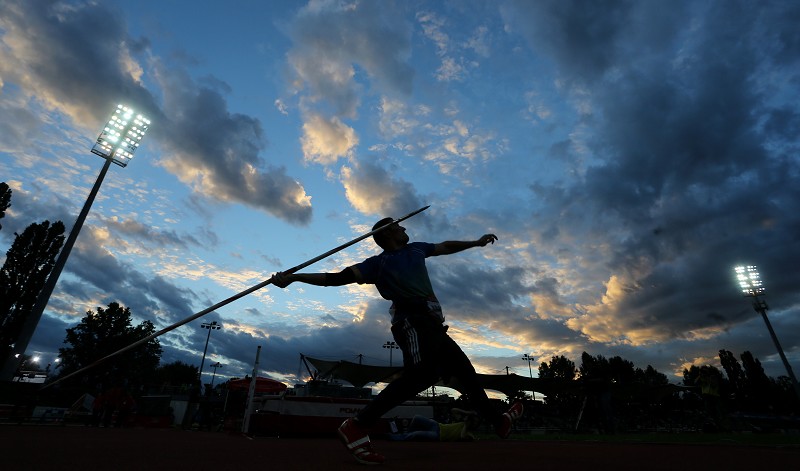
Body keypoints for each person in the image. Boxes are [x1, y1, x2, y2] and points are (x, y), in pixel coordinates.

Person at [272, 216, 523, 465]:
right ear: (387, 234)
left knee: (465, 372)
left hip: (434, 326)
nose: (403, 226)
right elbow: (335, 278)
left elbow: (445, 246)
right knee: (421, 375)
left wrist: (476, 243)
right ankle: (357, 426)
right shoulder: (378, 264)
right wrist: (295, 277)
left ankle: (498, 420)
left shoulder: (416, 248)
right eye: (397, 225)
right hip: (412, 322)